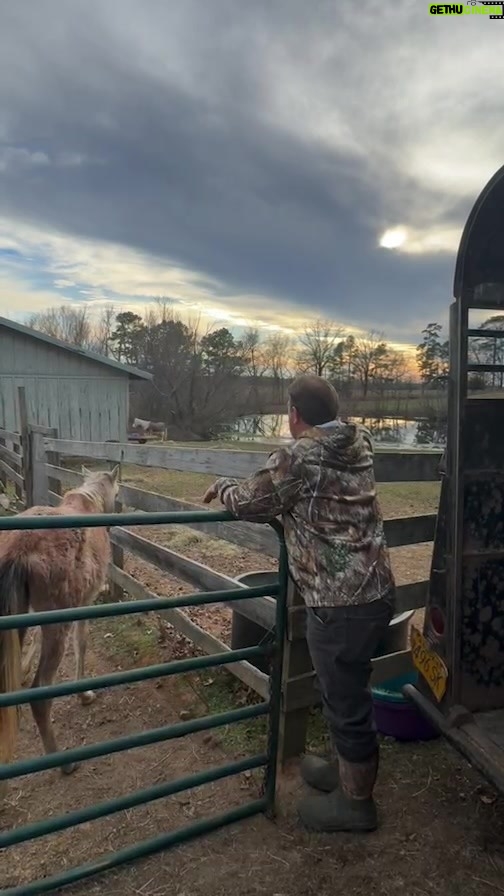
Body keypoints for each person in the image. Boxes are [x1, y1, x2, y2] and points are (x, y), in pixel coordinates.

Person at [202, 374, 396, 833]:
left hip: (341, 603)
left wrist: (224, 485)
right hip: (375, 590)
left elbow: (252, 502)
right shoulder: (358, 442)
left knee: (345, 700)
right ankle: (344, 774)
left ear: (294, 414)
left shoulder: (299, 455)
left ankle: (357, 804)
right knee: (344, 690)